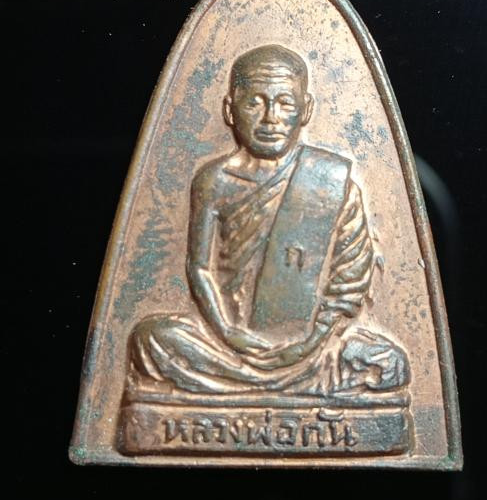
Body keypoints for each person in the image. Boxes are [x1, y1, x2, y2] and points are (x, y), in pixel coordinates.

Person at [127, 44, 409, 397]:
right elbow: (199, 268)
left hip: (313, 346)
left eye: (285, 103)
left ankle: (248, 388)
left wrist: (310, 341)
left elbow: (350, 277)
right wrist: (229, 333)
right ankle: (284, 388)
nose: (270, 118)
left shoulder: (331, 180)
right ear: (230, 110)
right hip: (225, 344)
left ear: (306, 110)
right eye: (254, 103)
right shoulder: (214, 181)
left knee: (389, 360)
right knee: (150, 339)